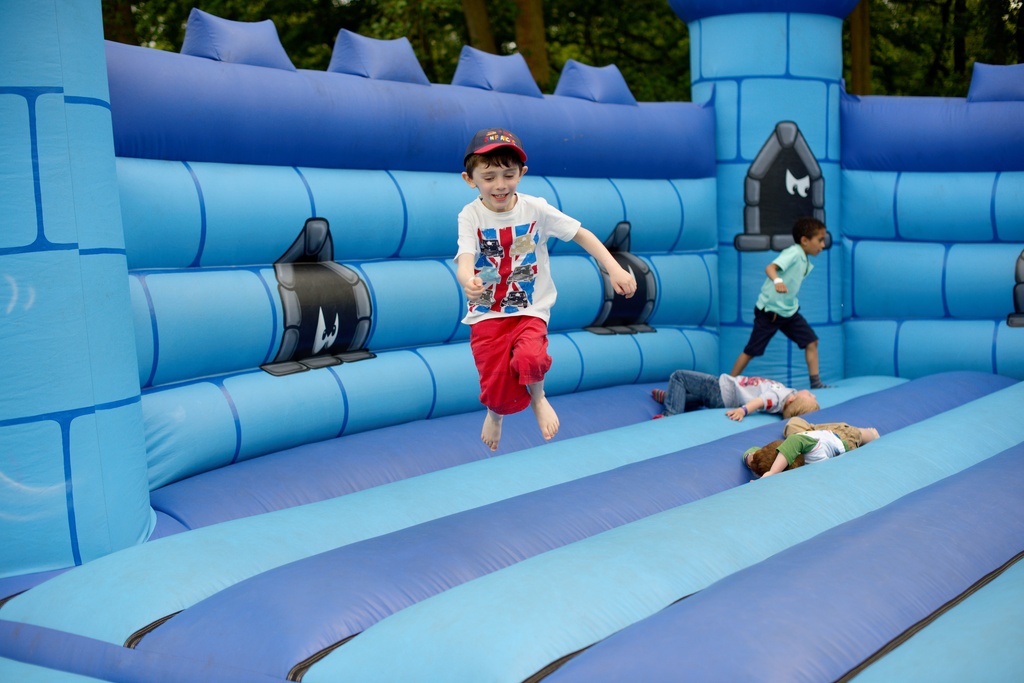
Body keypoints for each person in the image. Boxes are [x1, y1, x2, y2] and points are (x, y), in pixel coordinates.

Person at [455, 128, 637, 451]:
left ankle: (538, 398)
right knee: (495, 386)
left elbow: (581, 233)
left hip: (530, 308)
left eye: (509, 175)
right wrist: (467, 279)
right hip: (487, 312)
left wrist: (614, 268)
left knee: (531, 358)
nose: (500, 185)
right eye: (489, 177)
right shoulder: (471, 215)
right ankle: (495, 414)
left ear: (522, 173)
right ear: (470, 180)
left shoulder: (535, 209)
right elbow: (465, 255)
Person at [730, 216, 831, 389]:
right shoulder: (794, 252)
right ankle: (726, 383)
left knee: (812, 342)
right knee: (750, 351)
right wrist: (777, 281)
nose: (823, 245)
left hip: (788, 312)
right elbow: (770, 267)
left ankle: (816, 384)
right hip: (770, 312)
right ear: (805, 240)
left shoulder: (804, 258)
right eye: (820, 240)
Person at [650, 369, 818, 421]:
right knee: (700, 399)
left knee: (679, 377)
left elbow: (760, 401)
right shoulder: (785, 397)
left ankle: (670, 413)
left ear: (792, 400)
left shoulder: (778, 396)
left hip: (722, 389)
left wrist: (743, 410)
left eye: (810, 396)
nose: (814, 395)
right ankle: (672, 397)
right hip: (723, 398)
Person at [742, 418, 880, 478]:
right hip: (842, 439)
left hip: (813, 434)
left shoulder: (798, 446)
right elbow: (794, 441)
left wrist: (752, 461)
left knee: (793, 424)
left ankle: (871, 436)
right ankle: (872, 435)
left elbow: (751, 453)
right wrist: (772, 472)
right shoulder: (815, 456)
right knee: (857, 433)